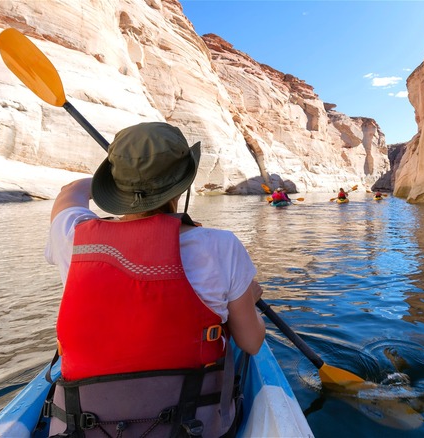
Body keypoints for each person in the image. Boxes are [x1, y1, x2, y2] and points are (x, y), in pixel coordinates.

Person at [43, 122, 265, 437]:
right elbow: (252, 343)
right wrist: (249, 303)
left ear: (113, 186)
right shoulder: (221, 246)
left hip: (80, 430)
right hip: (193, 428)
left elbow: (71, 192)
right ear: (182, 185)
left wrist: (123, 175)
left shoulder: (72, 236)